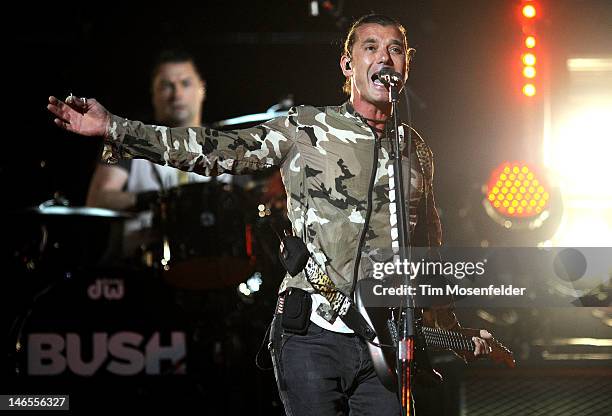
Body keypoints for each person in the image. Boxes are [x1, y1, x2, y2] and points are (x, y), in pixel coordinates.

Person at [48, 13, 496, 416]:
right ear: (348, 66)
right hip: (314, 337)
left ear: (406, 66)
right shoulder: (306, 128)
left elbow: (427, 247)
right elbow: (214, 150)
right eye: (371, 47)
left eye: (396, 49)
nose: (385, 57)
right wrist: (115, 128)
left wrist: (450, 330)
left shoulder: (414, 148)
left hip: (388, 342)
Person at [85, 50, 230, 256]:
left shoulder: (225, 147)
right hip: (142, 266)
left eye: (185, 83)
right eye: (166, 86)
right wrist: (156, 201)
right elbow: (98, 200)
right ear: (153, 94)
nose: (177, 94)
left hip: (215, 264)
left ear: (202, 89)